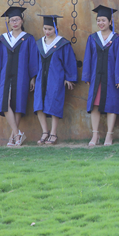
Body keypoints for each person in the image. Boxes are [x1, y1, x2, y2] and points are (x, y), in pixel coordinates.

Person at [0, 6, 38, 147]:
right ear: (8, 22)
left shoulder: (28, 39)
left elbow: (33, 59)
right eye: (12, 20)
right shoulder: (3, 39)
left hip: (22, 75)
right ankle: (17, 134)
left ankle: (13, 138)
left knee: (19, 104)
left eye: (17, 20)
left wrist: (33, 78)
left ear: (22, 21)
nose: (14, 23)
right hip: (5, 75)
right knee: (5, 104)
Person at [82, 5, 119, 146]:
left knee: (112, 105)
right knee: (94, 105)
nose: (100, 23)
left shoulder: (117, 39)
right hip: (96, 77)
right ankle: (95, 135)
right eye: (98, 20)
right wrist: (87, 76)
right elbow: (88, 58)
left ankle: (109, 135)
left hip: (112, 78)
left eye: (103, 20)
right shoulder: (93, 38)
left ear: (110, 22)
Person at [33, 14, 77, 145]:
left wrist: (69, 77)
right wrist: (32, 78)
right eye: (45, 28)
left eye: (50, 29)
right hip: (40, 78)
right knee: (38, 105)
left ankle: (53, 133)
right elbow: (34, 63)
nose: (47, 31)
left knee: (54, 104)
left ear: (56, 28)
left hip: (56, 78)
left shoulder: (62, 44)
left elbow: (69, 61)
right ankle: (44, 132)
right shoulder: (39, 43)